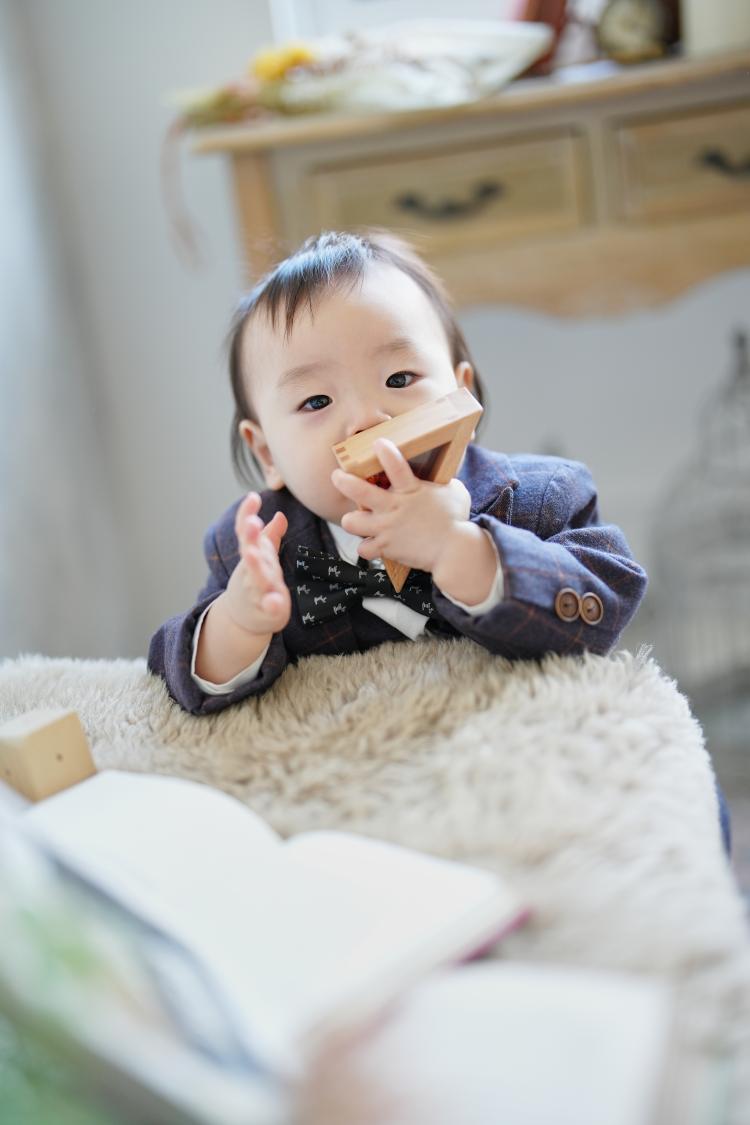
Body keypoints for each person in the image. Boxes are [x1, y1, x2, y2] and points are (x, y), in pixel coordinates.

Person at [148, 230, 648, 717]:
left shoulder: (536, 499)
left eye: (399, 378)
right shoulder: (258, 548)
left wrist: (460, 549)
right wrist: (238, 624)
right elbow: (173, 675)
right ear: (267, 454)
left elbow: (606, 603)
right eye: (316, 401)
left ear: (461, 394)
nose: (368, 420)